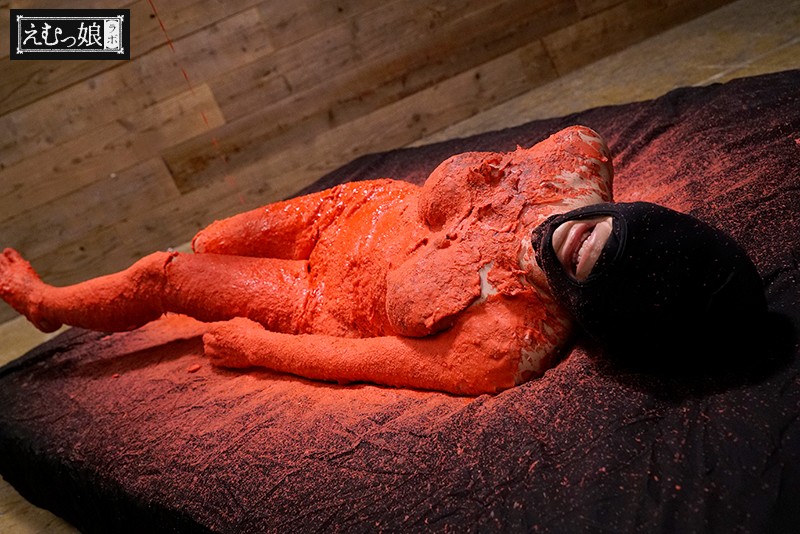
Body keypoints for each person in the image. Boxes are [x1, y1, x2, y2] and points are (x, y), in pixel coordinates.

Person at [0, 125, 766, 393]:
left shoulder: (505, 343)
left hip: (318, 300)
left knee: (166, 273)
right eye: (613, 232)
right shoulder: (571, 159)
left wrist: (261, 348)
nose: (579, 241)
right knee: (209, 237)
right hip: (355, 210)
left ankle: (44, 305)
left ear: (607, 314)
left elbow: (371, 359)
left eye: (597, 268)